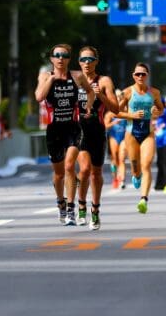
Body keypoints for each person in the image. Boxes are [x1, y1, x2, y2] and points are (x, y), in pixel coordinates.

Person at [34, 44, 94, 226]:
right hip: (54, 130)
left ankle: (70, 209)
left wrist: (88, 106)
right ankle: (60, 201)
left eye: (65, 55)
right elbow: (39, 96)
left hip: (73, 128)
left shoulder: (77, 76)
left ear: (69, 58)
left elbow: (90, 92)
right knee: (59, 174)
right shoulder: (45, 76)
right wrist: (51, 81)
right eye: (57, 55)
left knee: (69, 166)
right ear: (51, 59)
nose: (61, 58)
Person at [73, 46, 119, 230]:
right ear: (79, 62)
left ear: (96, 62)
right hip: (78, 130)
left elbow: (115, 108)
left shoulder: (104, 81)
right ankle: (82, 205)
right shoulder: (73, 80)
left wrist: (100, 94)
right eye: (83, 60)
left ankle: (96, 209)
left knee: (96, 173)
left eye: (90, 59)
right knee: (84, 169)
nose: (86, 63)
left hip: (98, 130)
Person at [118, 62, 164, 214]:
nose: (140, 76)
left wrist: (156, 111)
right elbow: (115, 112)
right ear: (133, 75)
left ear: (147, 75)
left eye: (143, 74)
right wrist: (131, 115)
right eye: (137, 74)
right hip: (131, 133)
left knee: (147, 165)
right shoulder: (127, 92)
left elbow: (161, 110)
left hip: (148, 132)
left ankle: (143, 199)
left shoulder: (155, 93)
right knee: (136, 167)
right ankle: (136, 175)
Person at [104, 89, 127, 189]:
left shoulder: (126, 112)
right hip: (113, 137)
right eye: (117, 98)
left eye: (120, 98)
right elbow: (105, 126)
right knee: (115, 158)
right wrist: (114, 123)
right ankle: (115, 178)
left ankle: (122, 180)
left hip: (123, 138)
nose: (119, 100)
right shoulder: (110, 113)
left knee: (122, 159)